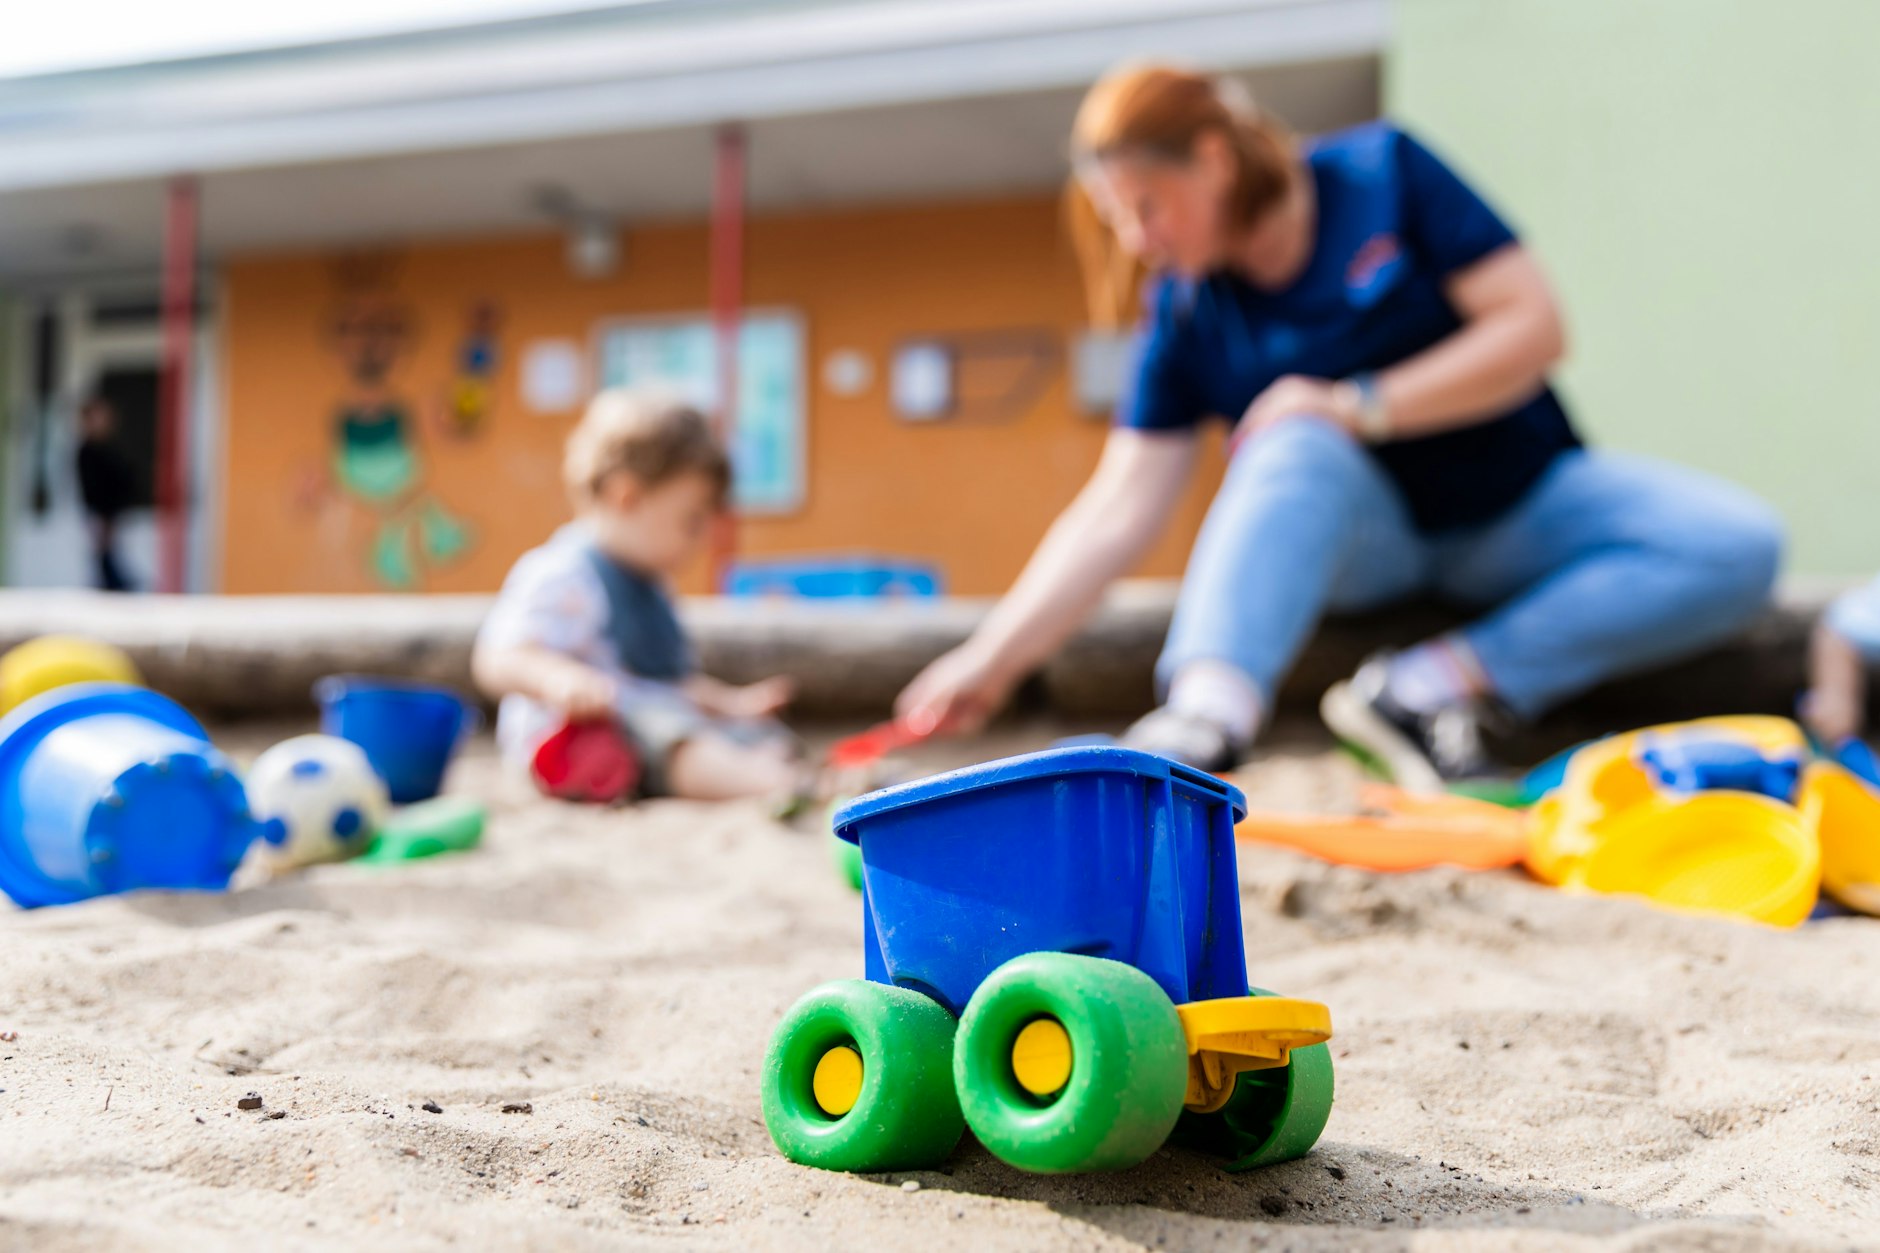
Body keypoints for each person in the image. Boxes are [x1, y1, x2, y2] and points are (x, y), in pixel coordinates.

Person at [897, 64, 1784, 787]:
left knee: (1735, 542)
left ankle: (1433, 683)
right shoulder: (1185, 310)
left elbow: (1534, 327)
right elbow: (1119, 505)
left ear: (1211, 158)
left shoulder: (1386, 175)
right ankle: (1204, 717)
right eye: (1117, 217)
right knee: (1289, 437)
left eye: (1146, 205)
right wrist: (990, 660)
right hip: (1372, 548)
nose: (1136, 238)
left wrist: (1358, 403)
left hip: (1520, 502)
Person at [473, 388, 800, 801]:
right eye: (690, 521)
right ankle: (765, 782)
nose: (698, 540)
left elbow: (669, 683)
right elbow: (497, 657)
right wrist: (558, 679)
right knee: (670, 736)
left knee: (752, 732)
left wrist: (731, 704)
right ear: (627, 497)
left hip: (654, 721)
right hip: (576, 742)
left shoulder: (652, 583)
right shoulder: (565, 573)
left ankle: (767, 767)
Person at [75, 395, 137, 592]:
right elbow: (91, 488)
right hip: (100, 513)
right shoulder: (87, 451)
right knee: (104, 559)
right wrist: (99, 516)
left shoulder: (110, 448)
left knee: (112, 557)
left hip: (114, 512)